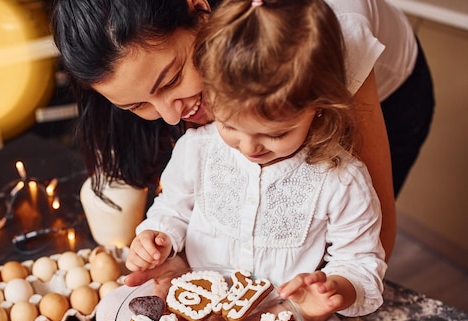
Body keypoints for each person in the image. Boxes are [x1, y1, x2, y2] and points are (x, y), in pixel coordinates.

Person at [97, 1, 387, 321]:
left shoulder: (341, 180)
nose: (250, 148)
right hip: (193, 306)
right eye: (231, 126)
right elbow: (171, 210)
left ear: (317, 104)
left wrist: (336, 291)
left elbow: (361, 261)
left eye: (275, 133)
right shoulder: (196, 149)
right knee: (110, 310)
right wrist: (158, 240)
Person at [46, 0, 435, 263]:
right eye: (137, 106)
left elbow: (370, 239)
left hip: (391, 95)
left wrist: (321, 304)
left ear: (200, 12)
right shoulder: (178, 102)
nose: (168, 116)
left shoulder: (328, 24)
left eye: (172, 79)